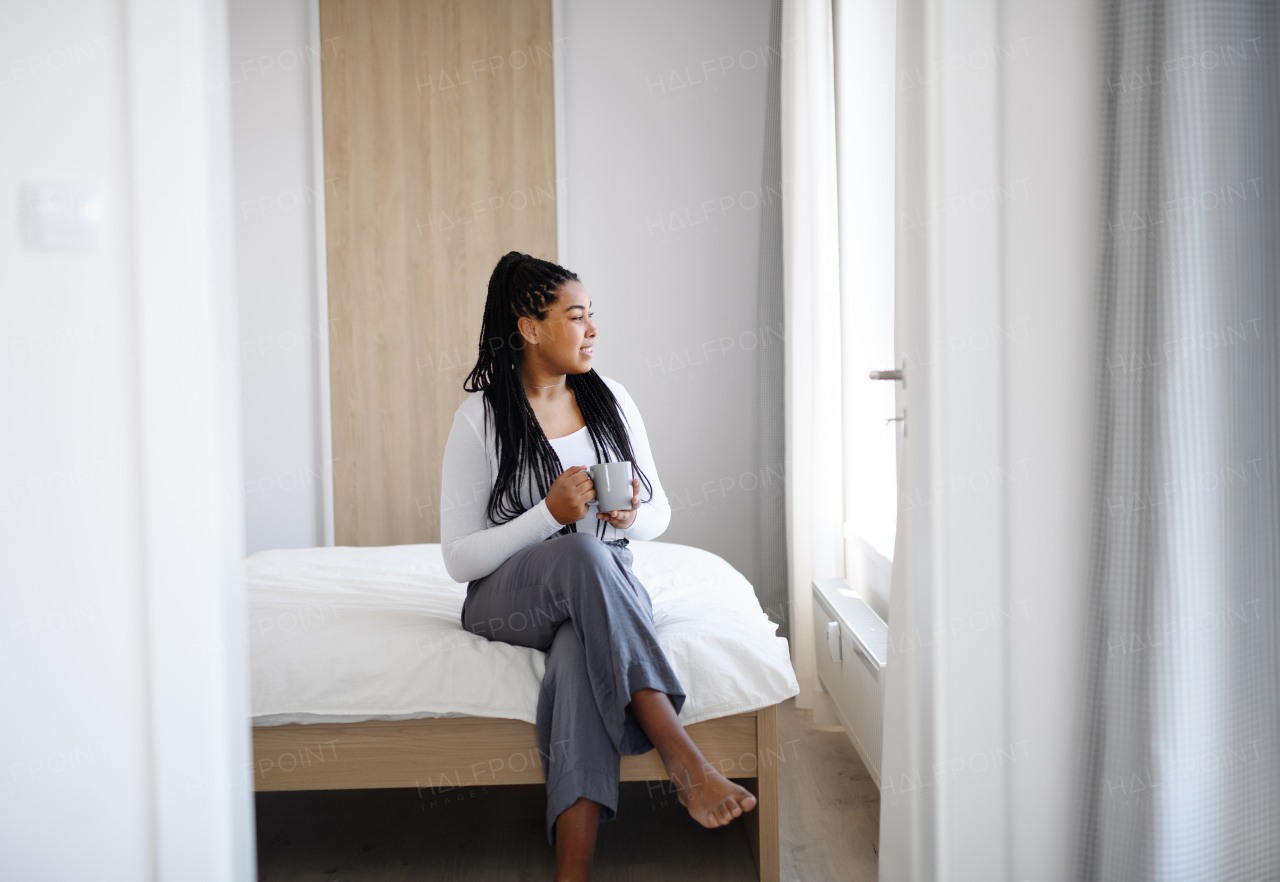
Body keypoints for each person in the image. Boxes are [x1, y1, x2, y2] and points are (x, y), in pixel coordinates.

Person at [439, 252, 757, 881]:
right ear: (530, 328)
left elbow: (661, 512)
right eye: (577, 317)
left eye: (592, 317)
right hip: (509, 594)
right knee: (583, 552)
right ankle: (682, 756)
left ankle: (573, 873)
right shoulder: (480, 417)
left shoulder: (611, 398)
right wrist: (548, 515)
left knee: (581, 654)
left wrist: (631, 516)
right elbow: (457, 558)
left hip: (596, 582)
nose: (591, 331)